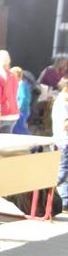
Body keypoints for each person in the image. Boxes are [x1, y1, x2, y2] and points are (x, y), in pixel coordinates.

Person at [52, 78, 68, 207]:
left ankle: (65, 201)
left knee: (64, 171)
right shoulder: (63, 103)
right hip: (64, 141)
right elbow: (65, 125)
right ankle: (46, 192)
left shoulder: (61, 101)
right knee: (62, 172)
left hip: (60, 139)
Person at [12, 67, 32, 135]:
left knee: (19, 128)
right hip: (22, 110)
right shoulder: (21, 85)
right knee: (18, 127)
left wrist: (18, 108)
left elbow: (23, 98)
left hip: (22, 111)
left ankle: (30, 140)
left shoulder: (21, 85)